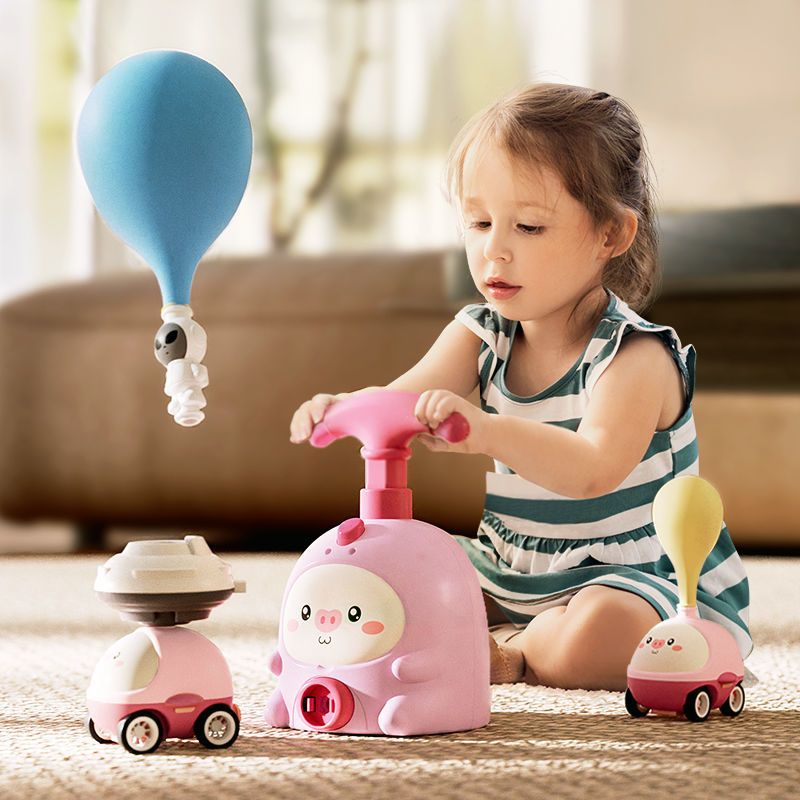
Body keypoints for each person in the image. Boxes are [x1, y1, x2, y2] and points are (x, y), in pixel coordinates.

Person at [289, 83, 752, 691]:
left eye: (528, 226)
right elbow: (402, 400)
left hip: (641, 578)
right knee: (397, 578)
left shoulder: (634, 355)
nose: (494, 250)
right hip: (513, 565)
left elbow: (592, 469)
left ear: (610, 235)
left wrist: (489, 432)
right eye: (479, 222)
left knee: (605, 635)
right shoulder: (481, 333)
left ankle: (513, 651)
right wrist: (345, 407)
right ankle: (500, 631)